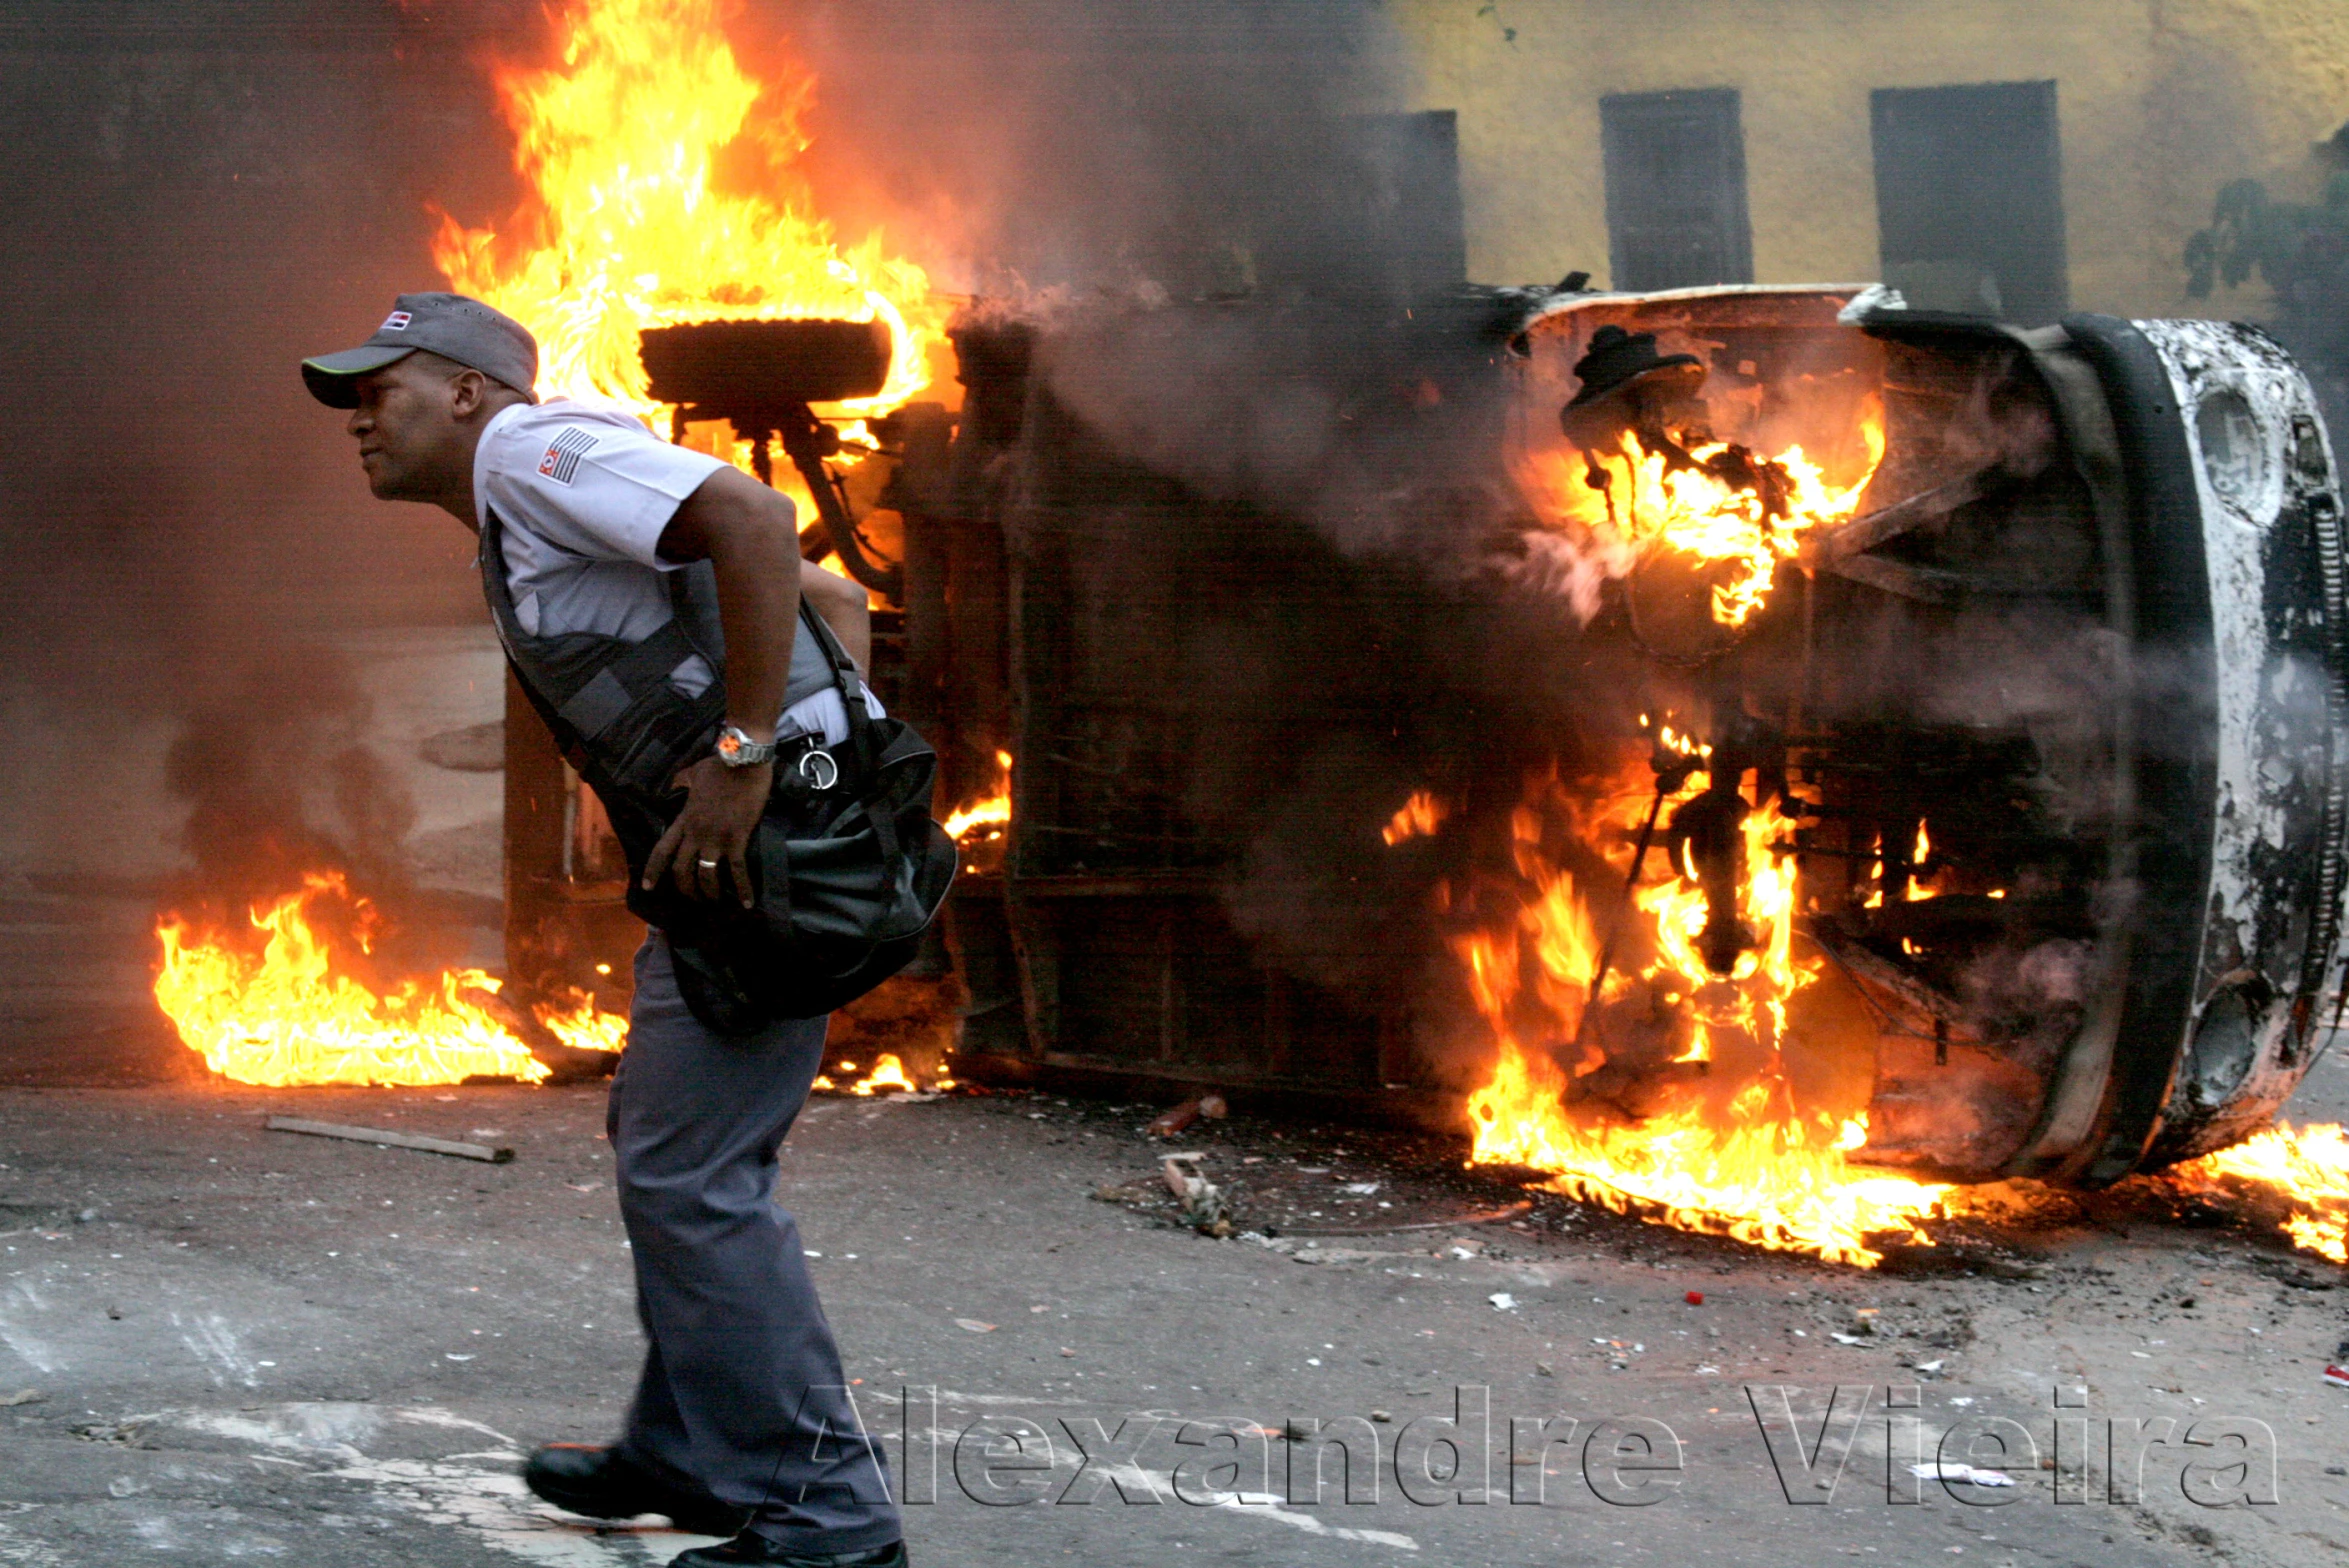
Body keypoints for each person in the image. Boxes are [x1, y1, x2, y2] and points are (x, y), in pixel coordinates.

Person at [301, 293, 905, 1568]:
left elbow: (757, 516)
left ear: (468, 391)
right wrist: (834, 769)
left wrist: (756, 764)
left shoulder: (528, 450)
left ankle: (827, 1525)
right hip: (743, 867)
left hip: (759, 870)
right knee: (667, 1141)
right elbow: (832, 598)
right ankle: (685, 1445)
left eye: (381, 385)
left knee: (693, 1175)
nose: (359, 413)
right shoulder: (525, 505)